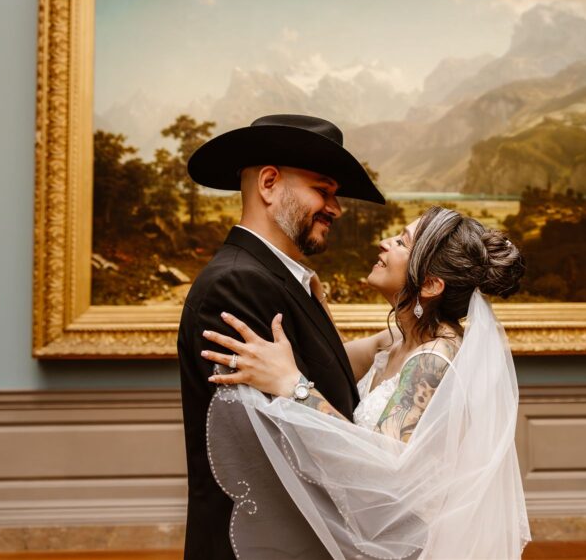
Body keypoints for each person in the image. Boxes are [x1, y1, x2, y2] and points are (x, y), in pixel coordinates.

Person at [203, 205, 531, 559]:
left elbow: (381, 467)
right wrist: (311, 302)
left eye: (402, 243)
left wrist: (292, 385)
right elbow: (332, 364)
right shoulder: (397, 341)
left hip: (402, 544)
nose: (384, 243)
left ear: (432, 284)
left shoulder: (433, 360)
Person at [178, 114, 386, 560]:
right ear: (269, 184)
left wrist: (389, 343)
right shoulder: (236, 284)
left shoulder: (278, 278)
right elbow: (281, 436)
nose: (336, 207)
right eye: (323, 190)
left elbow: (308, 373)